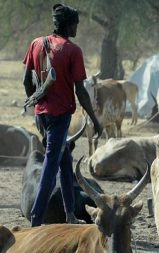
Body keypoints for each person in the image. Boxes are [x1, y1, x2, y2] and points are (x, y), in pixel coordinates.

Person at [22, 3, 103, 227]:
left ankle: (69, 214)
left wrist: (38, 104)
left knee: (65, 162)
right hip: (60, 117)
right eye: (76, 24)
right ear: (69, 25)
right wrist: (95, 120)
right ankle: (37, 219)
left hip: (42, 115)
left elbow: (26, 81)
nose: (77, 28)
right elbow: (81, 91)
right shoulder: (72, 50)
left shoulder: (36, 44)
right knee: (50, 165)